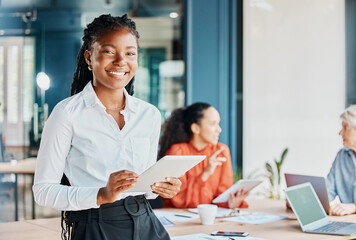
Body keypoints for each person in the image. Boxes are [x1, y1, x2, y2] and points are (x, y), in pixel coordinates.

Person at [32, 14, 181, 240]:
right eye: (110, 51)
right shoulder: (67, 114)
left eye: (130, 53)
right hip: (95, 225)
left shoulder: (149, 114)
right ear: (89, 58)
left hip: (147, 223)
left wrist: (160, 187)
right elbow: (43, 191)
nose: (121, 60)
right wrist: (101, 194)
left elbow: (145, 186)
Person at [159, 102, 249, 209]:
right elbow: (180, 201)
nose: (219, 130)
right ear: (196, 128)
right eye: (212, 124)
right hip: (179, 217)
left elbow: (222, 196)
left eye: (218, 124)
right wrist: (205, 174)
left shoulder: (222, 150)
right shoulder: (178, 151)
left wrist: (231, 203)